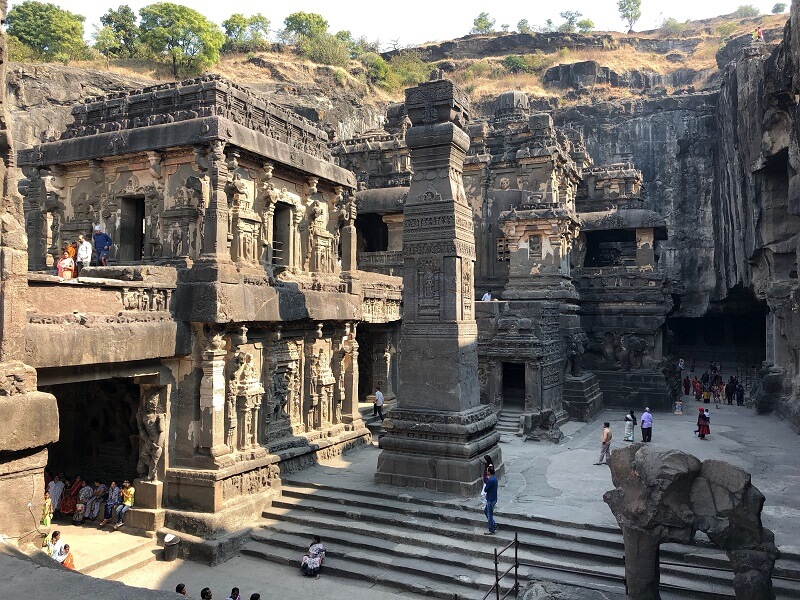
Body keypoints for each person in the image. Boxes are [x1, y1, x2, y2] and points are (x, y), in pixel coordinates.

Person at [482, 466, 498, 535]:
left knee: (489, 514)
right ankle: (493, 524)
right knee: (486, 511)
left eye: (487, 470)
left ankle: (491, 529)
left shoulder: (490, 480)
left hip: (490, 499)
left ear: (489, 472)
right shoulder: (495, 479)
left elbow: (485, 489)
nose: (486, 471)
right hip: (494, 498)